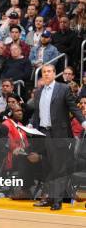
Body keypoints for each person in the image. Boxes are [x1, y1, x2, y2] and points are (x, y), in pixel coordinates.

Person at [30, 64, 86, 210]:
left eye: (49, 71)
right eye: (44, 72)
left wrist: (83, 121)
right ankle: (48, 197)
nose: (47, 74)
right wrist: (31, 124)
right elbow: (37, 113)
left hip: (59, 134)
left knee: (58, 168)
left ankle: (57, 201)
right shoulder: (38, 92)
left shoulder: (63, 88)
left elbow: (73, 107)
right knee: (46, 167)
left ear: (55, 73)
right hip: (43, 133)